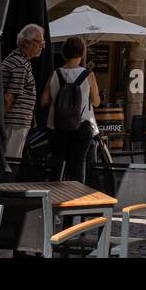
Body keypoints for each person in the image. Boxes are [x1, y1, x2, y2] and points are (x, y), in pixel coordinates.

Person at [39, 36, 101, 182]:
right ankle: (76, 201)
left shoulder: (55, 74)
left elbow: (43, 102)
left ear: (64, 53)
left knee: (57, 165)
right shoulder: (88, 75)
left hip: (56, 126)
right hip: (82, 124)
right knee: (78, 166)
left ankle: (53, 199)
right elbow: (96, 102)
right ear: (81, 53)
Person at [1, 24, 45, 157]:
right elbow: (8, 98)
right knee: (10, 160)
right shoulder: (20, 64)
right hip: (14, 123)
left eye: (43, 43)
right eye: (39, 42)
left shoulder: (18, 60)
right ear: (26, 43)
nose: (42, 46)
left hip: (13, 121)